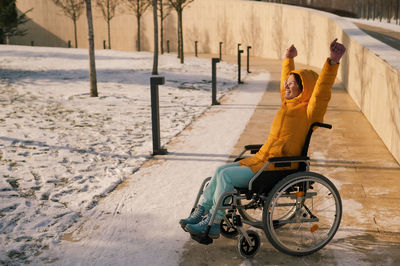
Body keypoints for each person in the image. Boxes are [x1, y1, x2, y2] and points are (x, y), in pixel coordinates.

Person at [180, 39, 346, 239]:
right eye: (287, 83)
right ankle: (201, 212)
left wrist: (332, 62)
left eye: (292, 84)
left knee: (226, 177)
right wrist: (288, 59)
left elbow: (321, 92)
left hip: (277, 167)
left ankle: (214, 222)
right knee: (219, 170)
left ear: (304, 89)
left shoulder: (310, 112)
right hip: (262, 161)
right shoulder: (288, 104)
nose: (287, 86)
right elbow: (285, 79)